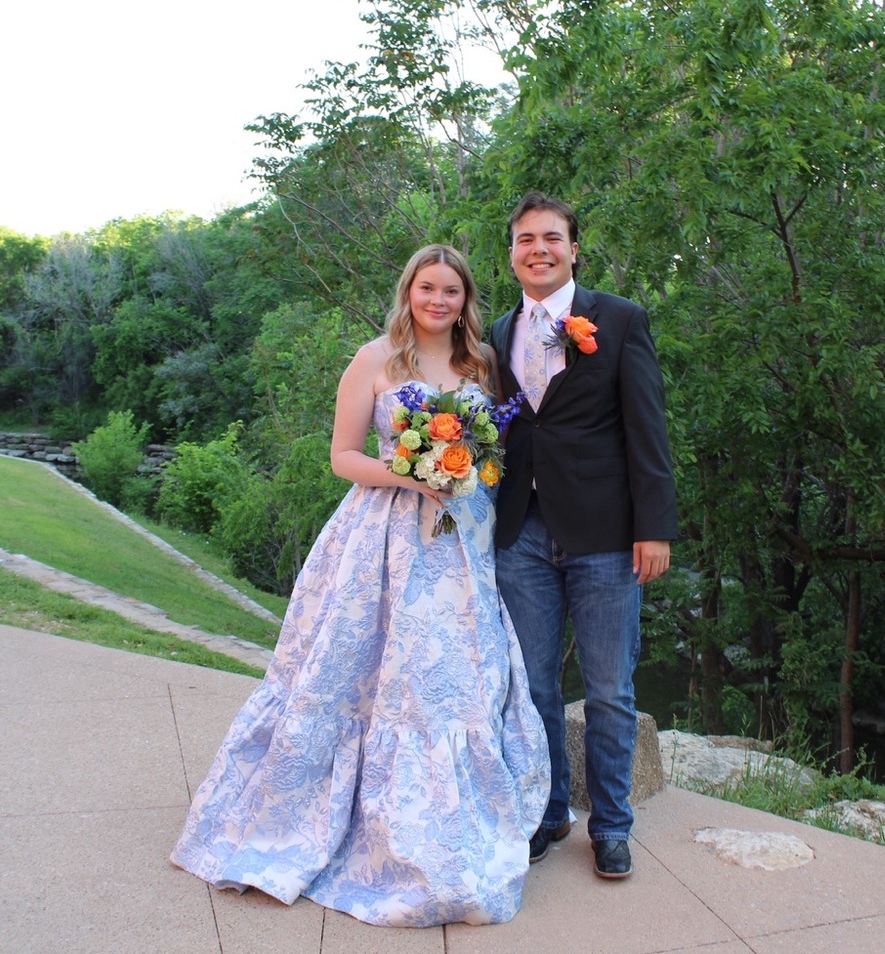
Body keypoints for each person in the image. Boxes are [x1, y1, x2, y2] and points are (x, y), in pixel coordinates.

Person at [171, 244, 550, 927]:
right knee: (366, 675)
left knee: (452, 679)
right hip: (383, 538)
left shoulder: (482, 365)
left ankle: (449, 831)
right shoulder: (374, 359)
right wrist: (413, 473)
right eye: (427, 288)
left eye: (452, 291)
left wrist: (468, 472)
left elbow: (491, 445)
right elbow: (343, 456)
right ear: (409, 292)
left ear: (467, 300)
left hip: (460, 541)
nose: (439, 300)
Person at [490, 192, 678, 880]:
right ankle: (545, 814)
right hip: (521, 535)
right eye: (524, 239)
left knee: (608, 690)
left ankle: (612, 826)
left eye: (551, 238)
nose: (537, 248)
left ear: (573, 248)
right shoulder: (493, 334)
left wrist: (654, 528)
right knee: (533, 686)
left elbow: (646, 431)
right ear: (510, 252)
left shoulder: (620, 320)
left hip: (605, 535)